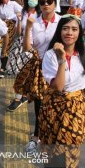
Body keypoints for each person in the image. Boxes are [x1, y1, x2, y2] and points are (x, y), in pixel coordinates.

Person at [14, 0, 61, 154]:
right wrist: (27, 27)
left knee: (57, 105)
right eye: (42, 2)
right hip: (41, 69)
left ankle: (53, 138)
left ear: (55, 3)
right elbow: (27, 48)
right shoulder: (34, 22)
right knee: (40, 106)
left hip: (60, 68)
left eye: (49, 1)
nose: (46, 4)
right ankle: (36, 137)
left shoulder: (62, 22)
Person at [39, 14, 84, 167]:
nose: (69, 33)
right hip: (54, 110)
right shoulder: (50, 55)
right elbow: (58, 86)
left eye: (74, 29)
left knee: (71, 151)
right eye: (65, 29)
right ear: (59, 32)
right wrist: (62, 59)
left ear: (80, 33)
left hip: (76, 111)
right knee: (54, 156)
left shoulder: (82, 55)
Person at [7, 0, 41, 112]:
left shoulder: (40, 14)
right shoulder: (23, 12)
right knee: (18, 70)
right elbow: (18, 33)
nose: (33, 0)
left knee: (26, 71)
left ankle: (19, 97)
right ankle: (22, 95)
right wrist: (20, 20)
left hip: (34, 47)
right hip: (21, 44)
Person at [0, 0, 22, 78]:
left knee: (6, 45)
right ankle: (0, 66)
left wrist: (15, 17)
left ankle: (3, 68)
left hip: (11, 26)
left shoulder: (13, 4)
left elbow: (22, 11)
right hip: (2, 26)